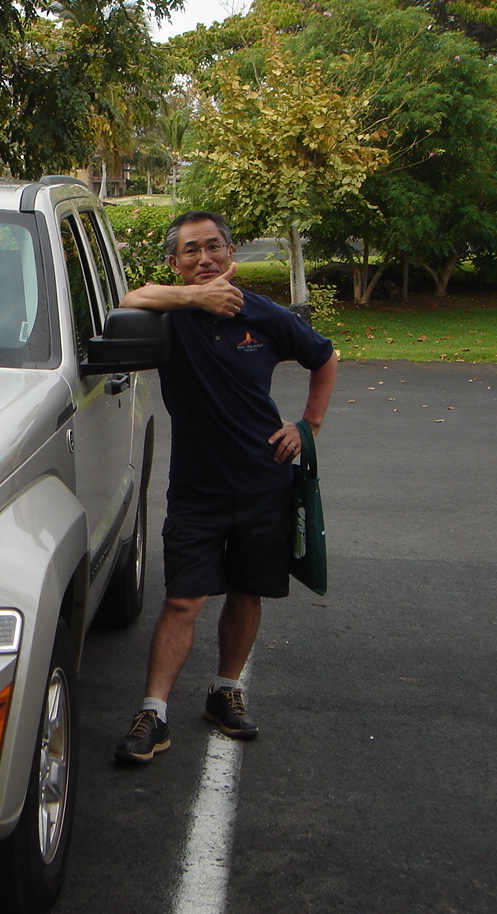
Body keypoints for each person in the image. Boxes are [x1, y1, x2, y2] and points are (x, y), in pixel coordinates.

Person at [113, 210, 338, 764]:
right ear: (175, 263)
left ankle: (225, 690)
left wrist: (306, 427)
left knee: (246, 592)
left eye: (213, 247)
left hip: (264, 483)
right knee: (183, 600)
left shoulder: (262, 314)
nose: (204, 258)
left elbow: (324, 356)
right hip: (197, 490)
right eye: (191, 250)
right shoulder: (169, 314)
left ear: (231, 254)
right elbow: (125, 297)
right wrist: (193, 299)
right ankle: (154, 711)